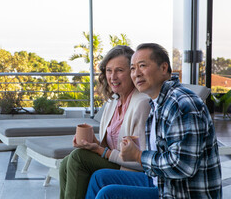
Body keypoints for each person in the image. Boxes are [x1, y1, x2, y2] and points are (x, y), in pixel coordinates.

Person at [86, 43, 222, 199]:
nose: (136, 73)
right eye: (132, 68)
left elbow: (183, 166)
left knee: (108, 195)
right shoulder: (157, 104)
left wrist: (138, 156)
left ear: (164, 68)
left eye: (142, 66)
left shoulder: (181, 104)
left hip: (182, 192)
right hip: (161, 182)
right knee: (100, 177)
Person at [59, 45, 151, 199]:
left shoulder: (142, 104)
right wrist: (93, 144)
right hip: (113, 160)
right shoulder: (112, 102)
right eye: (109, 70)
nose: (112, 77)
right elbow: (108, 147)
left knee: (78, 158)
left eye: (119, 71)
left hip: (131, 169)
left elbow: (141, 159)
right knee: (65, 163)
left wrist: (101, 151)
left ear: (132, 72)